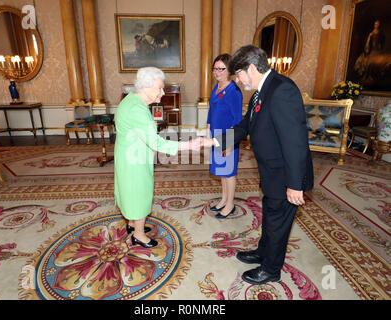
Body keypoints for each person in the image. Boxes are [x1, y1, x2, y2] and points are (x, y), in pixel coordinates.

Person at [203, 45, 313, 285]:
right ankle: (263, 252)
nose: (238, 81)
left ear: (251, 68)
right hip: (271, 173)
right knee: (270, 216)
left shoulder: (282, 90)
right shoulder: (259, 92)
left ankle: (271, 269)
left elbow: (296, 142)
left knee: (278, 222)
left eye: (239, 75)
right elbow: (245, 126)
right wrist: (215, 140)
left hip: (286, 175)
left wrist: (295, 185)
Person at [114, 67, 201, 248]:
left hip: (126, 154)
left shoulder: (129, 100)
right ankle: (138, 235)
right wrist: (189, 145)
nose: (163, 92)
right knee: (139, 192)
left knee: (129, 190)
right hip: (135, 160)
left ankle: (132, 225)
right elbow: (157, 144)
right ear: (145, 87)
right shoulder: (138, 110)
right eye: (160, 88)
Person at [206, 54, 243, 218]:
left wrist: (229, 143)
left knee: (229, 172)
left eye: (221, 68)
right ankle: (223, 199)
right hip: (216, 135)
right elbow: (212, 109)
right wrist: (208, 127)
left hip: (228, 136)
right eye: (215, 68)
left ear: (230, 70)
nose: (216, 71)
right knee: (221, 170)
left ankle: (230, 204)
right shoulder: (217, 87)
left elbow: (237, 120)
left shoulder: (234, 91)